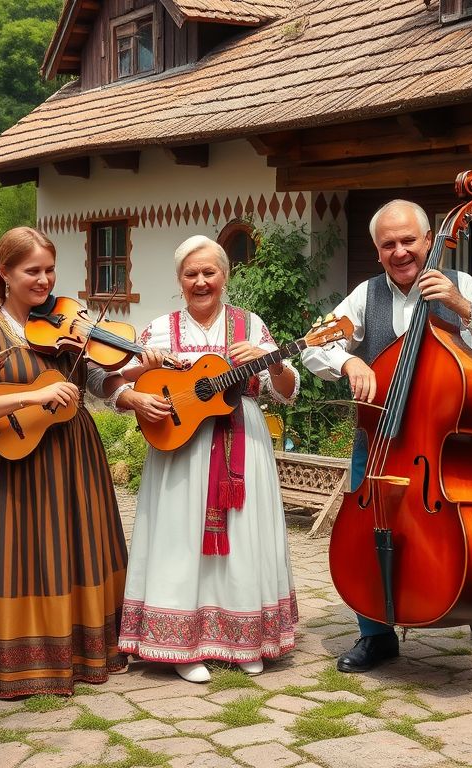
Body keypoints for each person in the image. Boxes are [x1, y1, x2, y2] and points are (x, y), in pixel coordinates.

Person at [301, 199, 472, 672]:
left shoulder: (460, 286)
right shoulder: (365, 296)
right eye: (389, 244)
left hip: (440, 446)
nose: (400, 252)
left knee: (467, 528)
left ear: (428, 240)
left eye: (408, 241)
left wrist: (462, 307)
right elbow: (313, 347)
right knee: (368, 531)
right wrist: (348, 360)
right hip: (379, 441)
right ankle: (376, 633)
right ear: (378, 250)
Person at [113, 235, 300, 683]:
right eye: (191, 273)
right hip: (180, 450)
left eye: (209, 272)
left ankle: (246, 639)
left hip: (242, 441)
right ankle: (180, 645)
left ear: (225, 276)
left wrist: (270, 363)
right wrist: (137, 395)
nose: (201, 281)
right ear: (179, 280)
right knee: (180, 539)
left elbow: (287, 392)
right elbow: (113, 385)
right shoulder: (158, 329)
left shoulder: (251, 326)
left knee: (243, 536)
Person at [0, 227, 131, 699]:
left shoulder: (67, 321)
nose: (44, 280)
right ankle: (29, 664)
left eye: (49, 270)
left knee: (80, 546)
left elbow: (96, 378)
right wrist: (37, 393)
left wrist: (134, 377)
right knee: (28, 554)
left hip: (75, 451)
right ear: (4, 274)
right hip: (19, 458)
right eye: (32, 270)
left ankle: (88, 652)